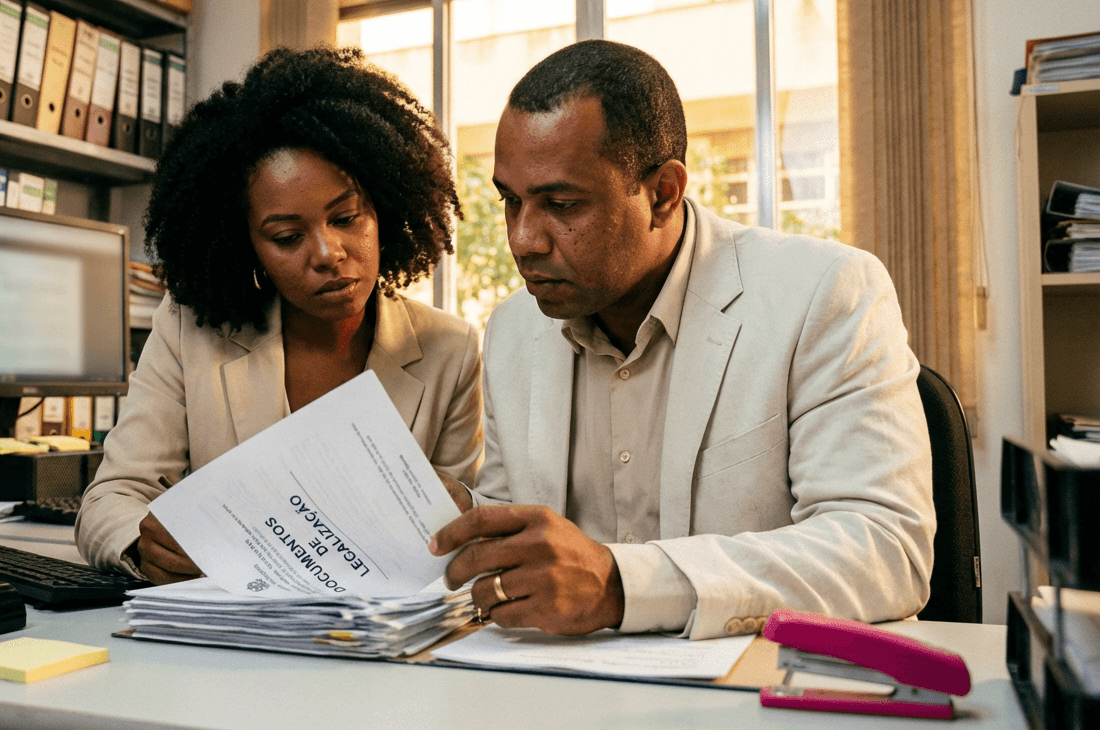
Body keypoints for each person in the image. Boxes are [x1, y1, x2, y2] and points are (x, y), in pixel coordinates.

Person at [429, 40, 934, 640]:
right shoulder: (515, 330)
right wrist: (467, 522)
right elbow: (526, 546)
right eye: (510, 201)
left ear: (664, 194)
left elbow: (883, 550)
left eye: (561, 204)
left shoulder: (824, 293)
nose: (523, 240)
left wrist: (623, 584)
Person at [78, 47, 482, 584]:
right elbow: (112, 496)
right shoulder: (190, 331)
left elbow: (467, 525)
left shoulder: (449, 351)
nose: (327, 253)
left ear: (385, 208)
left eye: (347, 218)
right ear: (246, 246)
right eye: (287, 237)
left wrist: (464, 506)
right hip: (224, 641)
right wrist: (142, 542)